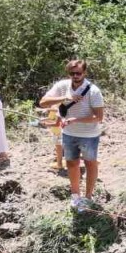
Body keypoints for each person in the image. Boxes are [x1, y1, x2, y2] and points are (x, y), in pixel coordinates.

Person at [39, 59, 105, 211]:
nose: (75, 76)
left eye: (78, 73)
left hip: (89, 135)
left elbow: (98, 117)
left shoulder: (94, 91)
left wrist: (76, 119)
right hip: (68, 134)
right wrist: (64, 98)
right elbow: (43, 102)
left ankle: (88, 197)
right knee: (72, 164)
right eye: (72, 73)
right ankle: (75, 196)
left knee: (90, 164)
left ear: (85, 73)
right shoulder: (62, 86)